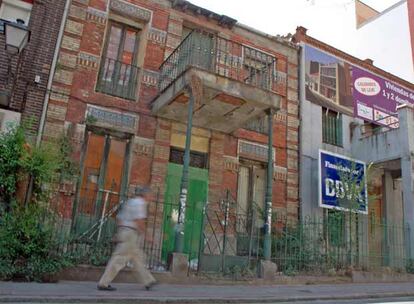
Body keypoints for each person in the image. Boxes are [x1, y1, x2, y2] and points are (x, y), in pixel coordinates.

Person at [97, 186, 157, 291]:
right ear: (146, 195)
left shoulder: (130, 202)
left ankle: (148, 280)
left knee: (137, 257)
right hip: (130, 233)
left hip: (125, 231)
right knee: (119, 258)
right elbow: (139, 221)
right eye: (151, 196)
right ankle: (103, 283)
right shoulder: (140, 203)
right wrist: (147, 236)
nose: (151, 198)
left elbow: (119, 218)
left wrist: (120, 232)